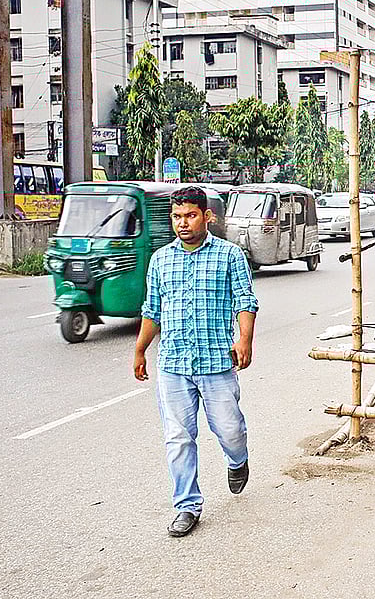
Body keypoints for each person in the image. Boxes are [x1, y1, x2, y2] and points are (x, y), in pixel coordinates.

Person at [133, 185, 259, 538]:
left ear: (207, 216)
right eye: (176, 216)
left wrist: (244, 339)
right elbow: (152, 310)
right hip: (173, 365)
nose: (182, 223)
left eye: (190, 215)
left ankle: (238, 460)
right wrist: (141, 349)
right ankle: (187, 505)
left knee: (230, 430)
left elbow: (245, 300)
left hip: (217, 361)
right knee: (178, 438)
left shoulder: (230, 256)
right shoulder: (160, 259)